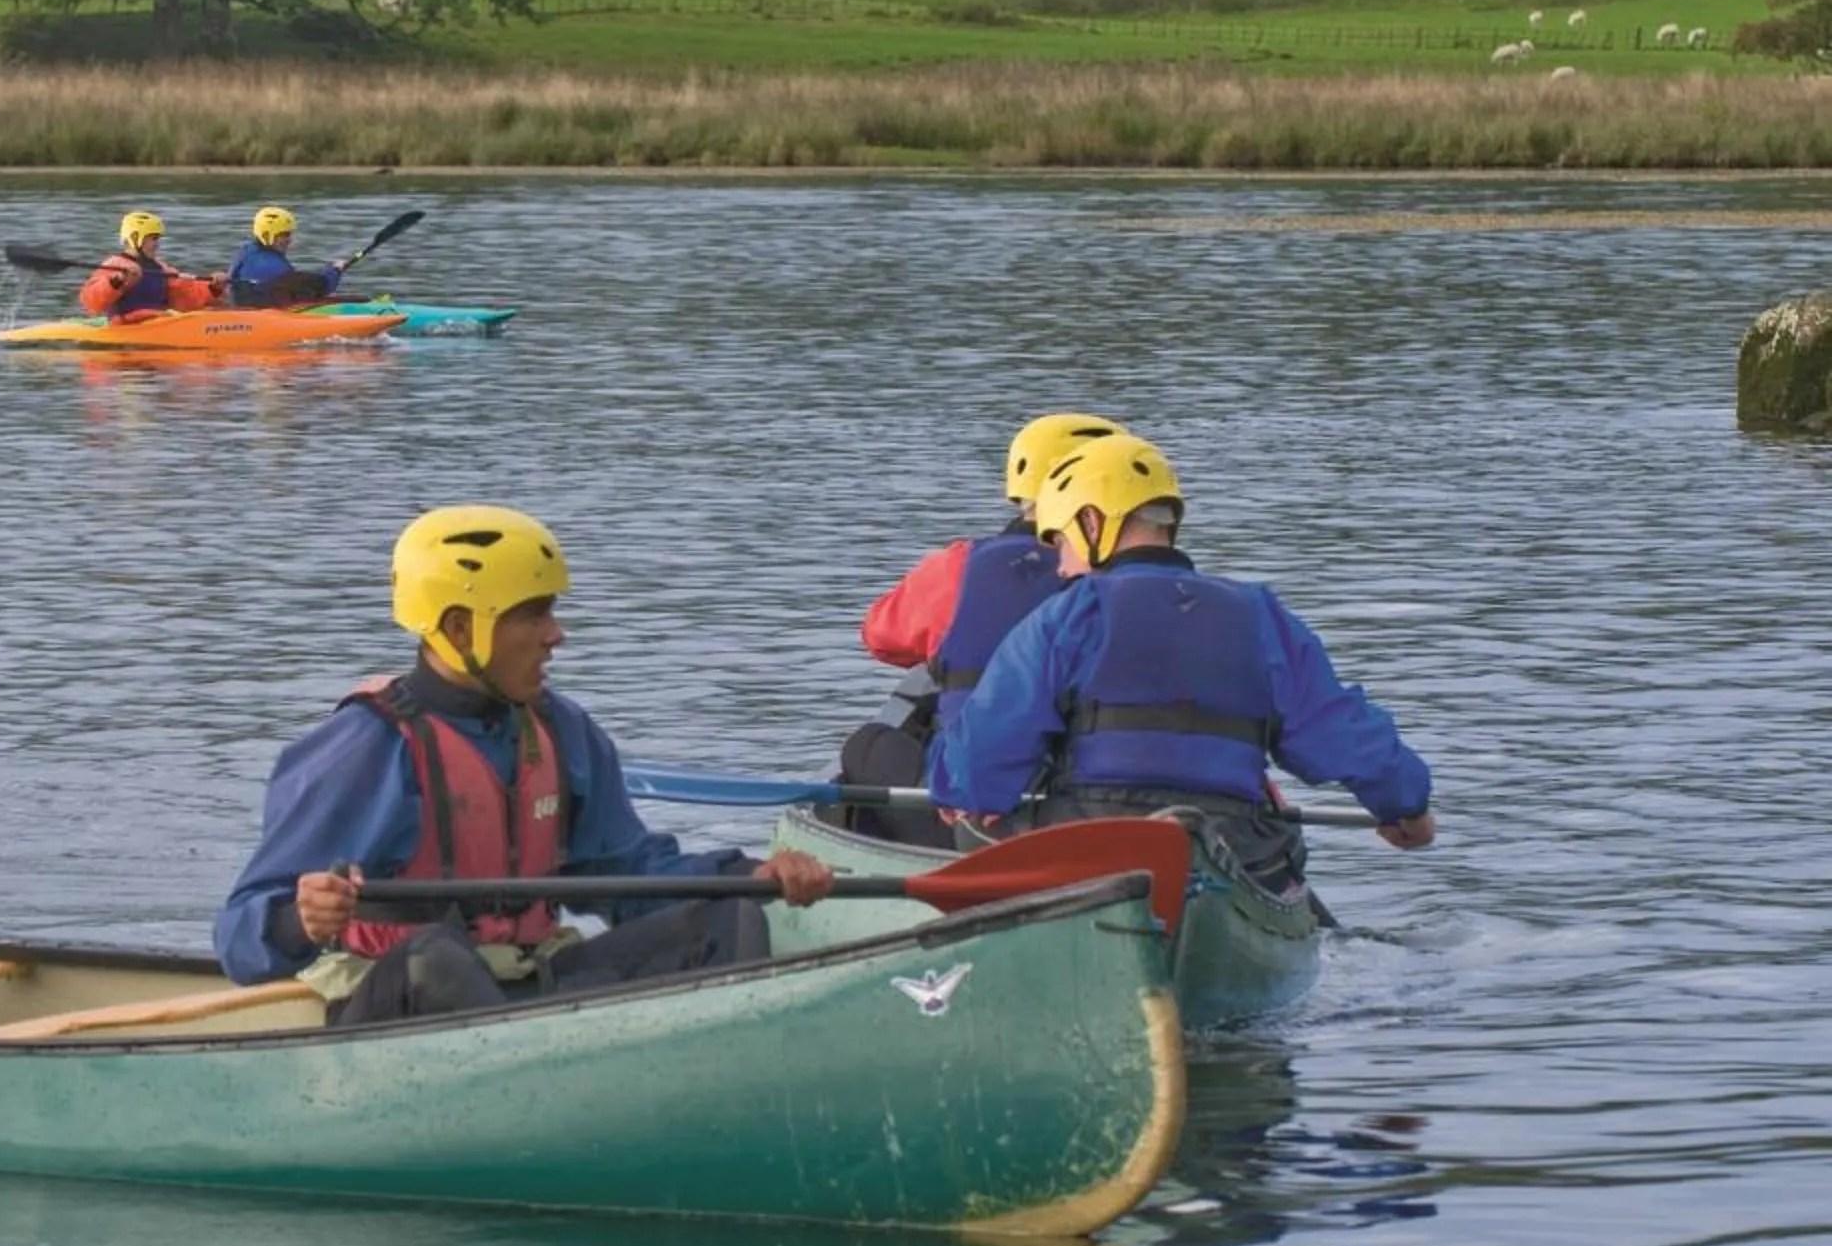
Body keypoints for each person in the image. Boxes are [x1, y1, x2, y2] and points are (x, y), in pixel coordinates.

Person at [215, 505, 836, 1024]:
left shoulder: (562, 730)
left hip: (529, 984)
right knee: (438, 958)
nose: (555, 634)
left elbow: (631, 875)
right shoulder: (363, 748)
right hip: (397, 1011)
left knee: (728, 919)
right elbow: (240, 940)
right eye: (532, 613)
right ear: (460, 628)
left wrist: (750, 874)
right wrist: (300, 919)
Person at [928, 433, 1436, 892]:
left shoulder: (1065, 616)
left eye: (1061, 541)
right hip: (1232, 843)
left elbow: (980, 760)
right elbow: (1340, 728)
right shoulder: (1259, 613)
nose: (1060, 564)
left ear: (1090, 522)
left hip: (1093, 843)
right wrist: (1406, 808)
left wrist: (966, 796)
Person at [833, 413, 1123, 847]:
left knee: (866, 744)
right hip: (1097, 801)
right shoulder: (1143, 586)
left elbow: (881, 639)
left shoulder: (960, 566)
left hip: (970, 816)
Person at [78, 210, 219, 319]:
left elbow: (186, 295)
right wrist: (117, 281)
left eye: (157, 239)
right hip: (126, 324)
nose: (157, 244)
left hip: (157, 321)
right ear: (135, 238)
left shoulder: (160, 267)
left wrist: (213, 287)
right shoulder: (115, 265)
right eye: (153, 239)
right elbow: (91, 302)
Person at [222, 206, 345, 309]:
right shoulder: (272, 266)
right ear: (267, 235)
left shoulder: (246, 252)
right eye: (284, 235)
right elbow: (320, 287)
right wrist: (335, 271)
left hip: (245, 307)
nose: (289, 240)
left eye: (290, 234)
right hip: (261, 317)